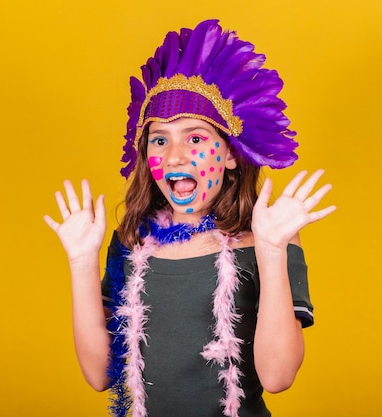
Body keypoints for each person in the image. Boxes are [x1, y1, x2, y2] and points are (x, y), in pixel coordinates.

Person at [44, 19, 336, 417]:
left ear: (231, 154)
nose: (174, 156)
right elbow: (99, 376)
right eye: (159, 139)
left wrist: (270, 252)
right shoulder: (132, 242)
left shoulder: (268, 238)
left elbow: (278, 376)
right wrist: (81, 263)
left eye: (195, 138)